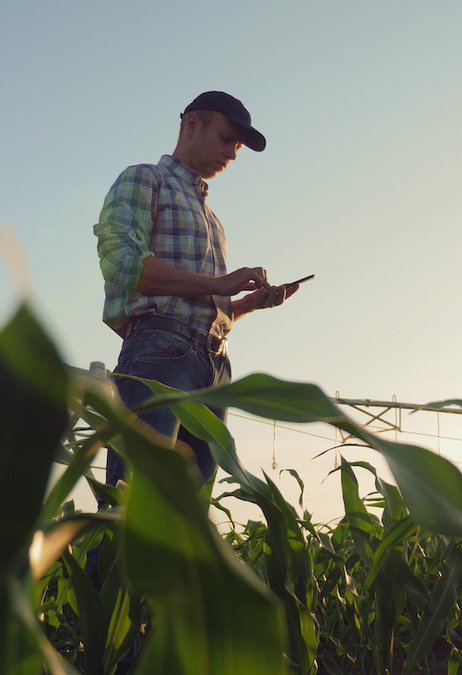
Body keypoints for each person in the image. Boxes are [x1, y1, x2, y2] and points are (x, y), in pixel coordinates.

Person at [93, 90, 299, 494]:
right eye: (227, 140)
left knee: (187, 520)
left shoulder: (213, 219)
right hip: (160, 355)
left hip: (213, 366)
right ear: (192, 125)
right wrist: (217, 285)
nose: (233, 155)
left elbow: (199, 307)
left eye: (238, 147)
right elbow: (121, 264)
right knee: (131, 506)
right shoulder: (144, 179)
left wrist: (247, 305)